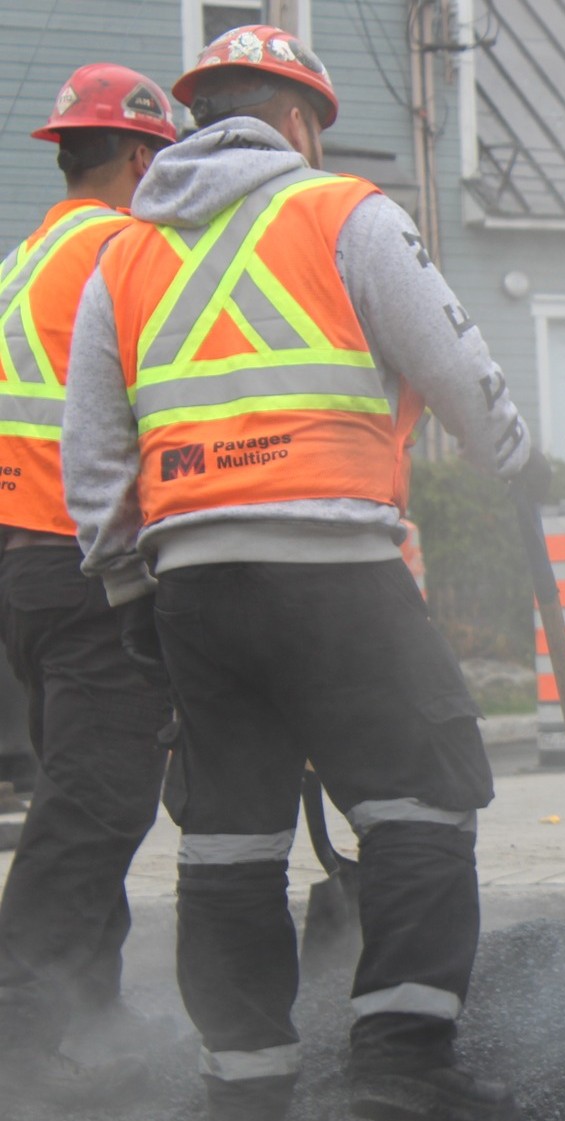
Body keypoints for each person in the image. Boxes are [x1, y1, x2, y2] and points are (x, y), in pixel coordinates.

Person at [62, 25, 544, 1121]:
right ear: (296, 121)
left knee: (230, 834)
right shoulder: (342, 211)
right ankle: (400, 1069)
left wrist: (131, 587)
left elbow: (93, 453)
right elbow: (455, 362)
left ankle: (245, 1083)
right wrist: (516, 455)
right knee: (421, 798)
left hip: (196, 581)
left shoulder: (124, 254)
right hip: (334, 566)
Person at [0, 62, 178, 1109]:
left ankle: (89, 1014)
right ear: (145, 158)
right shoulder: (121, 250)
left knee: (90, 787)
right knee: (95, 803)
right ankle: (25, 1033)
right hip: (83, 561)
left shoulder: (26, 257)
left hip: (25, 562)